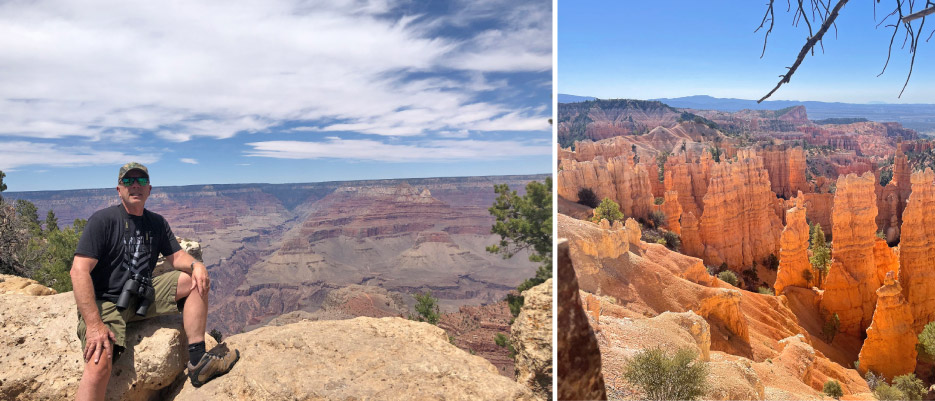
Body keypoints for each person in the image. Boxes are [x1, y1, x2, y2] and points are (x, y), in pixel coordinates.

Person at [70, 162, 239, 400]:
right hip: (106, 302)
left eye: (140, 181)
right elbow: (78, 271)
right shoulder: (103, 221)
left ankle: (198, 361)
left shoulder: (156, 223)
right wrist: (94, 324)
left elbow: (177, 256)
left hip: (141, 293)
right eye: (128, 181)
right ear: (119, 190)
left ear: (150, 189)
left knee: (195, 280)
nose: (135, 185)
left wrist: (196, 265)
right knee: (100, 360)